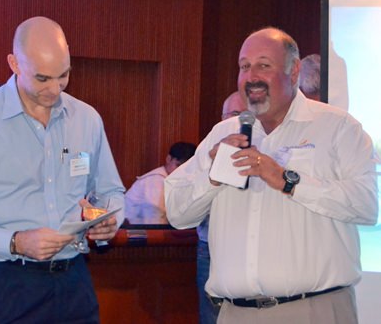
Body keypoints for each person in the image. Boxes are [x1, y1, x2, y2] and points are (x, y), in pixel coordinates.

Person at [165, 27, 378, 324]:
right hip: (234, 313)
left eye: (264, 65)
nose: (252, 76)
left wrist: (286, 181)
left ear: (294, 72)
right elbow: (178, 214)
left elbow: (367, 205)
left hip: (313, 311)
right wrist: (212, 177)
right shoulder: (223, 133)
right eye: (244, 66)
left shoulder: (337, 127)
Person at [0, 16, 125, 324]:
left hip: (75, 281)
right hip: (9, 284)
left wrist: (110, 219)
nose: (54, 89)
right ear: (14, 63)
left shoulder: (87, 119)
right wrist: (15, 241)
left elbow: (111, 191)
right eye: (42, 79)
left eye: (63, 76)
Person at [196, 90, 247, 324]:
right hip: (211, 248)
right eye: (234, 115)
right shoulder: (208, 151)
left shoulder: (261, 152)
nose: (237, 123)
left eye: (245, 116)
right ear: (222, 117)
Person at [125, 142, 196, 224]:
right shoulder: (155, 180)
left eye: (187, 169)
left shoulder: (176, 181)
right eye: (178, 165)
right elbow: (155, 220)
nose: (181, 172)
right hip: (134, 233)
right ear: (168, 159)